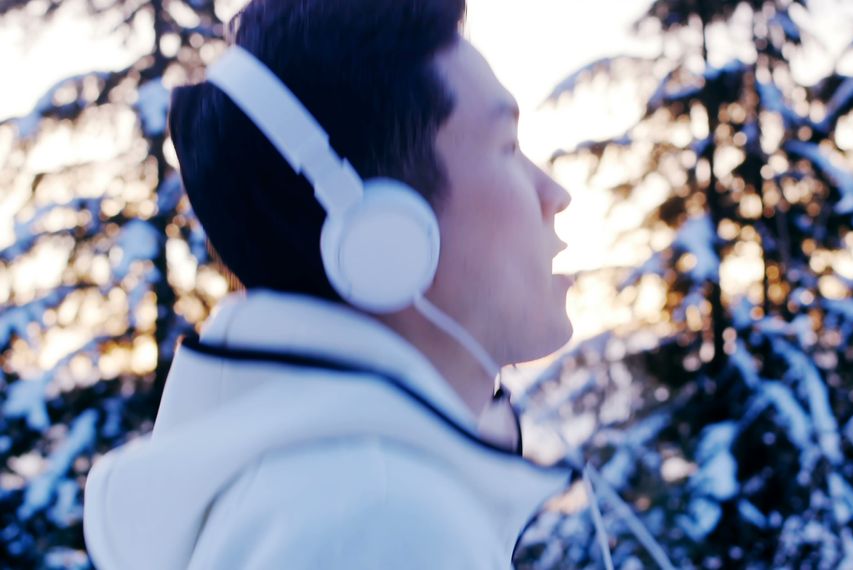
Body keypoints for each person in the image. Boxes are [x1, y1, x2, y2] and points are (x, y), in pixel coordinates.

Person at [79, 0, 628, 568]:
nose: (555, 195)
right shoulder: (382, 524)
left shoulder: (318, 499)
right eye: (508, 147)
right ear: (384, 234)